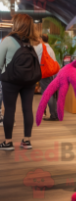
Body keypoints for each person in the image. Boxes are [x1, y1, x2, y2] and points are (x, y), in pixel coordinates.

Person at [0, 14, 40, 150]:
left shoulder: (7, 40)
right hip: (29, 81)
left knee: (9, 110)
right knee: (27, 109)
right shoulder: (33, 43)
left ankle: (8, 142)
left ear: (16, 24)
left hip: (10, 81)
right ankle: (26, 141)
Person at [34, 34, 59, 121]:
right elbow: (54, 62)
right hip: (52, 74)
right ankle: (56, 114)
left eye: (38, 38)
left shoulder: (41, 47)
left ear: (41, 39)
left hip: (44, 74)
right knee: (52, 94)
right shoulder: (50, 49)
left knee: (47, 94)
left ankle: (53, 115)